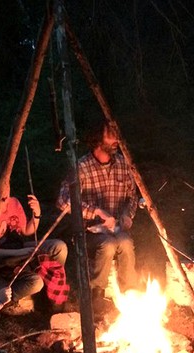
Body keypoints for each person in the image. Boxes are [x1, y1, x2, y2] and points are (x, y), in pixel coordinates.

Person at [56, 120, 139, 309]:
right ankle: (97, 293)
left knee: (126, 243)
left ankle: (129, 291)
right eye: (110, 135)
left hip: (117, 229)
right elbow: (62, 201)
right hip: (88, 232)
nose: (116, 139)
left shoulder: (122, 164)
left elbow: (132, 197)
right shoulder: (82, 167)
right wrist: (95, 211)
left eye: (116, 134)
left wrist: (128, 215)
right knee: (108, 244)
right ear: (97, 140)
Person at [0, 163, 69, 313]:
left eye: (5, 186)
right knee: (35, 282)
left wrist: (36, 214)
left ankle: (49, 292)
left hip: (19, 247)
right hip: (1, 259)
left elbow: (27, 231)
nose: (4, 192)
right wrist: (19, 253)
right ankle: (2, 302)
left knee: (59, 247)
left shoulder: (14, 203)